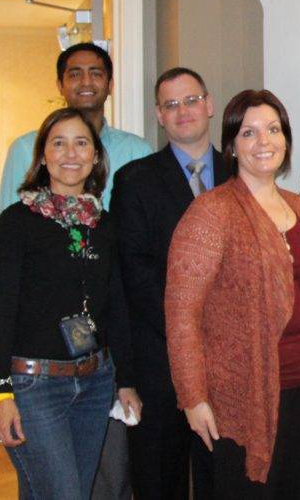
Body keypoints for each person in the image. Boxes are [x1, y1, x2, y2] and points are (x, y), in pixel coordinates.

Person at [165, 89, 300, 498]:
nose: (264, 142)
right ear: (231, 145)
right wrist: (193, 397)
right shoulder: (212, 211)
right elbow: (181, 313)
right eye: (249, 132)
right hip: (241, 397)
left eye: (274, 129)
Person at [0, 107, 141, 499]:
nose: (70, 153)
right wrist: (0, 393)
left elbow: (116, 307)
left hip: (95, 381)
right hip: (35, 386)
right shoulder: (16, 222)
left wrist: (126, 381)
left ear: (95, 157)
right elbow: (0, 311)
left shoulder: (103, 224)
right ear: (42, 156)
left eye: (81, 143)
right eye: (59, 143)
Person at [110, 67, 228, 499]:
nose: (183, 111)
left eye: (192, 100)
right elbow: (135, 275)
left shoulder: (242, 172)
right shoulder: (134, 180)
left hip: (228, 362)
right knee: (160, 481)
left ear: (209, 104)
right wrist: (190, 325)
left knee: (224, 479)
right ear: (159, 115)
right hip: (158, 361)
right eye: (171, 104)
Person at [0, 42, 152, 214]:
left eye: (96, 74)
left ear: (110, 85)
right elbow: (8, 224)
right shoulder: (26, 148)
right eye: (75, 74)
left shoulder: (137, 151)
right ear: (60, 85)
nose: (86, 82)